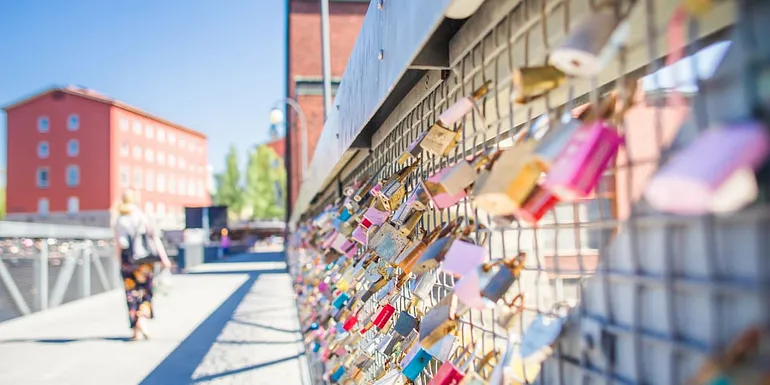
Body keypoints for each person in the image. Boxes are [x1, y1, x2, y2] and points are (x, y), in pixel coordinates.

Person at [113, 189, 171, 340]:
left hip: (128, 260)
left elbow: (119, 244)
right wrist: (163, 258)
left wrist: (120, 261)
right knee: (145, 291)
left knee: (131, 294)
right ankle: (142, 321)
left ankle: (135, 331)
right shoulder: (141, 216)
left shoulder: (119, 219)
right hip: (144, 261)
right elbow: (153, 238)